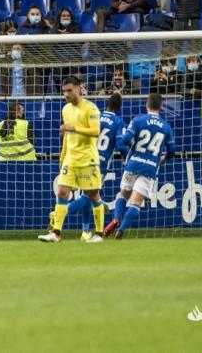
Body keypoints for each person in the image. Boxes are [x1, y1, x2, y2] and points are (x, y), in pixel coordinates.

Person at [49, 92, 127, 239]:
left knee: (87, 194)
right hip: (100, 162)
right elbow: (121, 144)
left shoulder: (95, 115)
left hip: (84, 156)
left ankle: (85, 231)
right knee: (90, 195)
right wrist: (125, 156)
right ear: (119, 107)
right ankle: (61, 213)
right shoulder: (118, 122)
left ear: (106, 104)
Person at [38, 75, 103, 243]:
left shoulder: (91, 108)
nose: (66, 94)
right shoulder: (65, 109)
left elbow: (95, 131)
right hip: (70, 159)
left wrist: (73, 128)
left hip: (87, 158)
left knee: (93, 195)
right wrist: (62, 157)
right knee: (62, 192)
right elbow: (67, 136)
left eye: (69, 90)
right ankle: (56, 233)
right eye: (64, 91)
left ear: (78, 88)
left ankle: (99, 234)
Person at [104, 93, 176, 239]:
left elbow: (125, 139)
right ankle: (122, 230)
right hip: (150, 167)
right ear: (161, 107)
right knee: (136, 202)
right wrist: (163, 158)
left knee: (123, 194)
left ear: (146, 104)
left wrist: (133, 147)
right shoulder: (166, 126)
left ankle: (116, 219)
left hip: (133, 164)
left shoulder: (138, 120)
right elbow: (172, 151)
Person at [19, 5, 51, 95]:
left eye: (37, 14)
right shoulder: (22, 29)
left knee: (43, 89)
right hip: (30, 64)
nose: (35, 16)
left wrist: (50, 27)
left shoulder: (47, 29)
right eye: (32, 14)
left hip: (45, 63)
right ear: (28, 15)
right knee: (35, 91)